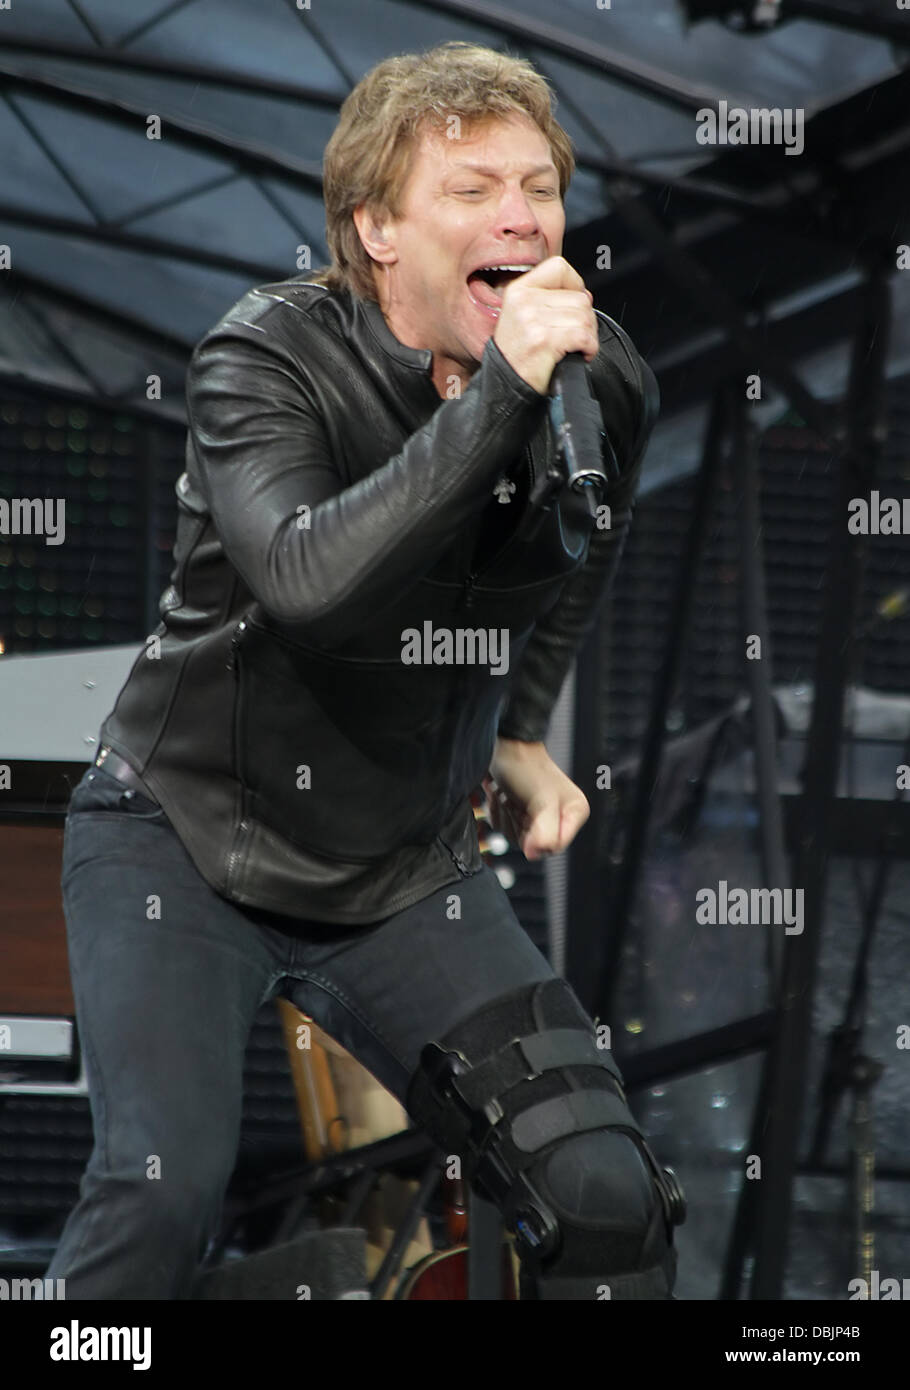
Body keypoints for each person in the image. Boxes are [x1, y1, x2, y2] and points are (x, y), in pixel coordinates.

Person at [47, 40, 682, 1301]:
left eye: (538, 185)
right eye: (472, 189)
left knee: (608, 1203)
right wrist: (496, 394)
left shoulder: (597, 379)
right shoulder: (266, 360)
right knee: (160, 1200)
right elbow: (306, 582)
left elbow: (585, 545)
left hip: (400, 869)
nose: (521, 214)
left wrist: (523, 731)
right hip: (183, 838)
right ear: (377, 229)